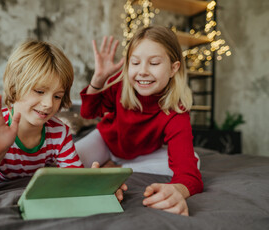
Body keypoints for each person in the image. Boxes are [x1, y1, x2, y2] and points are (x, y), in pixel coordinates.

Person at [75, 26, 203, 216]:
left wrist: (178, 190)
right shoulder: (121, 83)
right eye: (135, 62)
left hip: (141, 155)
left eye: (154, 63)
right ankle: (113, 165)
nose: (142, 71)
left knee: (195, 160)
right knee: (70, 158)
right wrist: (99, 79)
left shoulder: (176, 111)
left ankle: (117, 169)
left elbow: (189, 175)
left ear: (173, 68)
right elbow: (88, 112)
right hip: (107, 142)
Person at [0, 40, 85, 194]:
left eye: (57, 96)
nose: (48, 104)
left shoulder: (60, 132)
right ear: (14, 87)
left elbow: (75, 179)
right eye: (39, 91)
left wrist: (95, 184)